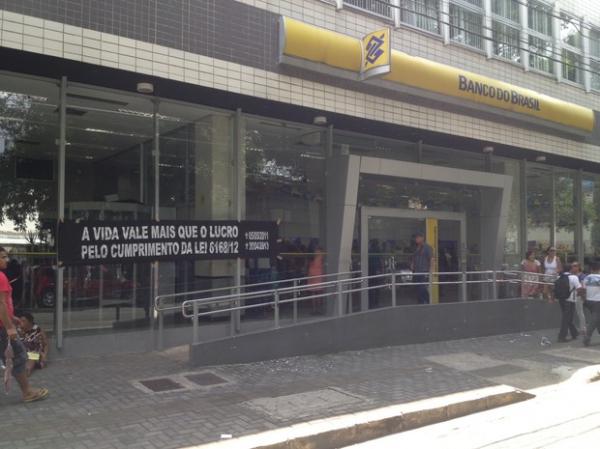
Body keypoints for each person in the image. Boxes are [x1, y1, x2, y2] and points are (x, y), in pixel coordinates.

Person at [0, 247, 48, 402]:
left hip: (4, 324)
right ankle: (27, 392)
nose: (6, 260)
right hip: (2, 327)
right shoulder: (0, 277)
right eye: (3, 257)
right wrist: (9, 327)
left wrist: (12, 317)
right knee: (19, 356)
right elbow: (1, 304)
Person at [555, 264, 581, 343]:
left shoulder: (559, 277)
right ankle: (562, 336)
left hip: (561, 299)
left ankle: (574, 333)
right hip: (570, 300)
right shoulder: (574, 277)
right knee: (567, 318)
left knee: (568, 317)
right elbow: (579, 288)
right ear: (570, 269)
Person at [17, 312, 48, 376]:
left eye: (23, 321)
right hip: (23, 355)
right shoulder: (18, 330)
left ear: (30, 322)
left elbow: (46, 344)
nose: (21, 323)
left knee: (33, 355)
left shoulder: (38, 330)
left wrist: (44, 355)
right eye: (20, 321)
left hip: (36, 356)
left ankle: (27, 371)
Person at [411, 232, 433, 305]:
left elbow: (431, 259)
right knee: (417, 288)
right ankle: (420, 304)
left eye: (418, 237)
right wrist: (412, 264)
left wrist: (430, 271)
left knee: (422, 288)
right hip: (416, 271)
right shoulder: (416, 247)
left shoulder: (427, 247)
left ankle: (428, 302)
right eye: (415, 238)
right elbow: (414, 257)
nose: (416, 239)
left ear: (422, 238)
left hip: (424, 271)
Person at [583, 262, 600, 347]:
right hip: (597, 301)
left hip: (588, 301)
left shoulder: (586, 278)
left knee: (597, 319)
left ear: (591, 269)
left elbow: (583, 289)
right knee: (595, 319)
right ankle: (587, 336)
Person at [571, 261, 587, 334]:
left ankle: (583, 328)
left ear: (579, 267)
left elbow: (583, 286)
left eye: (575, 266)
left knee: (580, 312)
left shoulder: (582, 276)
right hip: (571, 296)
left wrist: (582, 295)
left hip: (578, 296)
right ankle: (573, 329)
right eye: (573, 266)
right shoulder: (571, 275)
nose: (573, 267)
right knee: (573, 312)